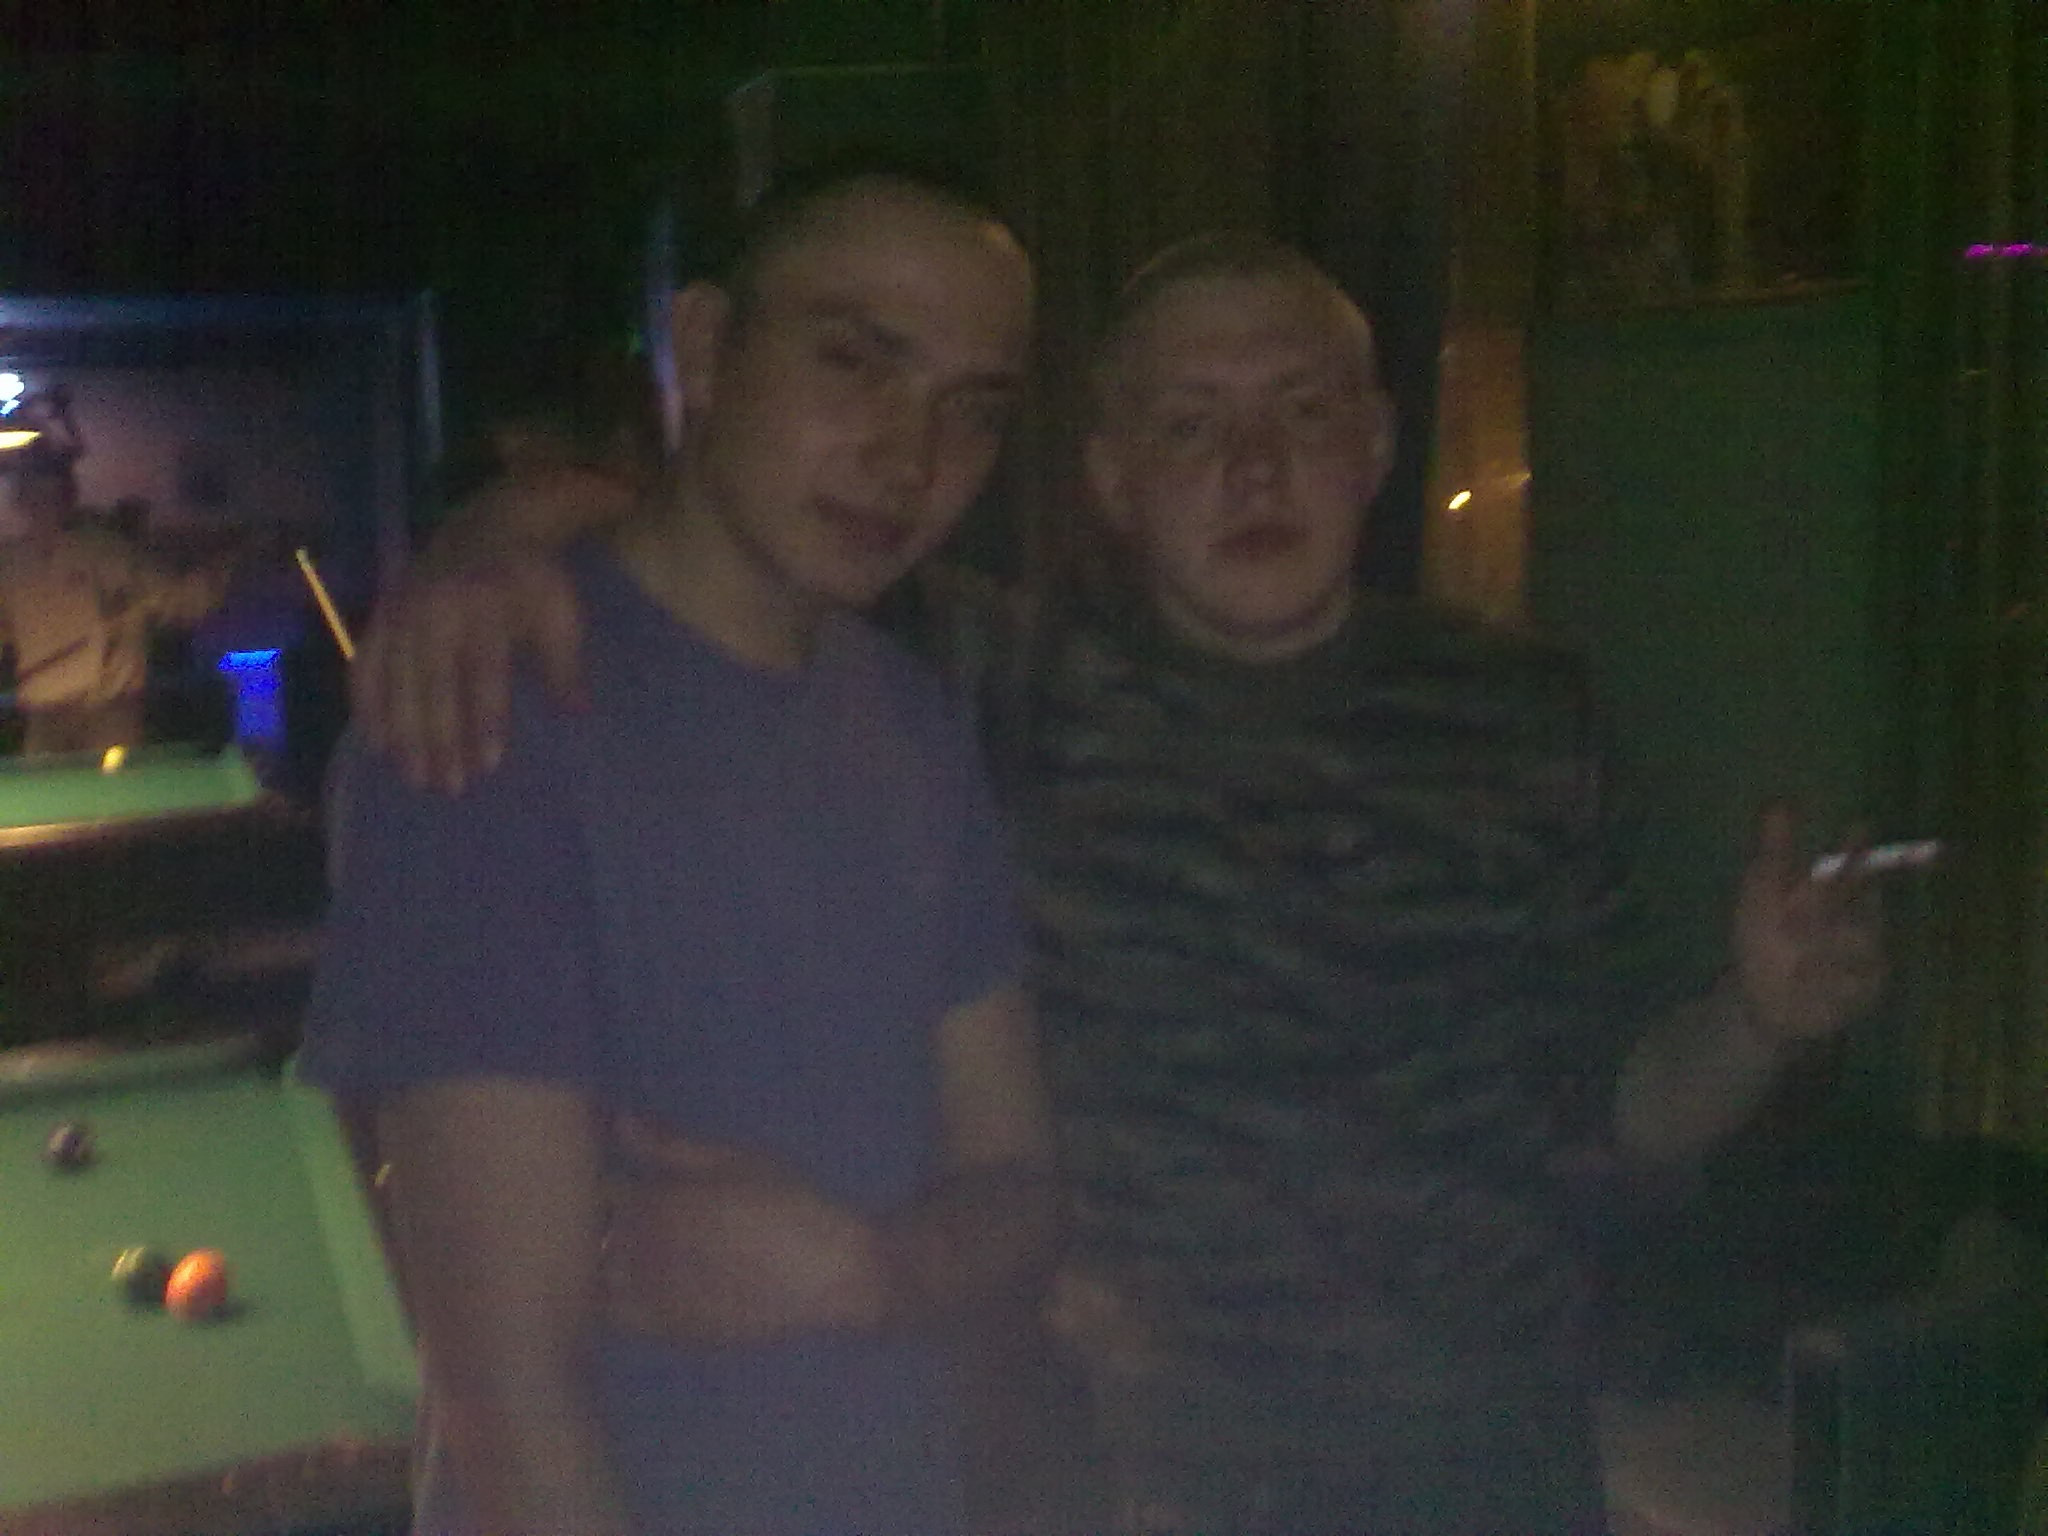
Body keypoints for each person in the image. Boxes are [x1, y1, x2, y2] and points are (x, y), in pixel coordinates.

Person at [355, 232, 1887, 1534]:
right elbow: (727, 553)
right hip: (1140, 1477)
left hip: (1487, 1462)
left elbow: (1621, 1109)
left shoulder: (1530, 715)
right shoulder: (997, 682)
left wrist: (1757, 1019)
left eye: (1302, 410)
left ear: (1375, 442)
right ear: (1110, 478)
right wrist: (507, 535)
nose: (1255, 467)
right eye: (1191, 425)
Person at [299, 167, 1064, 1536]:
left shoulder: (913, 718)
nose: (910, 456)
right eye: (856, 362)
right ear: (704, 348)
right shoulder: (489, 709)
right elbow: (511, 1405)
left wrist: (873, 1271)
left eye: (973, 410)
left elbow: (1018, 1186)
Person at [0, 449, 234, 755]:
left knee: (113, 786)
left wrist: (224, 567)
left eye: (45, 486)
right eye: (29, 487)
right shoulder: (12, 564)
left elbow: (181, 600)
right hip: (43, 714)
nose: (38, 499)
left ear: (67, 493)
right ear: (19, 498)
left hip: (109, 712)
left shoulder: (108, 551)